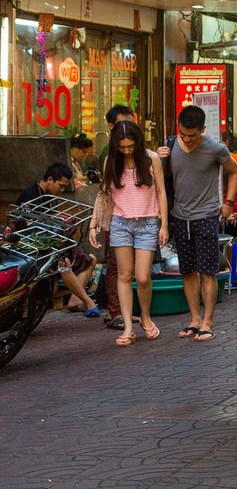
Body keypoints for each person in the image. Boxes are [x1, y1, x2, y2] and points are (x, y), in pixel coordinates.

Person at [158, 105, 237, 342]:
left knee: (207, 272)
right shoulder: (171, 145)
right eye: (183, 133)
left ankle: (208, 322)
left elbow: (234, 172)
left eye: (192, 135)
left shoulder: (215, 148)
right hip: (180, 216)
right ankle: (194, 319)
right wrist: (160, 158)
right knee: (188, 272)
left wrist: (229, 202)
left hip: (206, 216)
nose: (187, 139)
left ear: (202, 130)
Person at [88, 121, 168, 346]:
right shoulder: (110, 161)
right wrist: (94, 223)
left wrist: (164, 225)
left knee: (143, 277)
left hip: (148, 223)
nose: (126, 150)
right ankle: (128, 327)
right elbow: (103, 194)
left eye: (130, 146)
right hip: (120, 222)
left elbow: (161, 192)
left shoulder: (151, 158)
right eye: (122, 147)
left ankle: (145, 317)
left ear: (138, 142)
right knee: (124, 275)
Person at [15, 162, 99, 317]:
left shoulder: (49, 196)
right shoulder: (29, 195)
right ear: (50, 179)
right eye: (60, 186)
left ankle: (76, 300)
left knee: (91, 259)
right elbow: (23, 227)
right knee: (63, 263)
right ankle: (88, 302)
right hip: (36, 246)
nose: (61, 190)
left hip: (53, 241)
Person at [99, 104, 137, 331]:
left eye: (130, 123)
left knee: (127, 268)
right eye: (123, 124)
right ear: (112, 126)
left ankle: (123, 310)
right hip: (115, 215)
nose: (127, 128)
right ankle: (115, 311)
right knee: (115, 265)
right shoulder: (110, 153)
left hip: (133, 216)